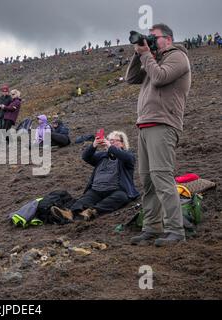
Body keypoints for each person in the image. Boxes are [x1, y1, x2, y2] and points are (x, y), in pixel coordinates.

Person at [126, 23, 191, 246]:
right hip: (144, 125)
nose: (150, 41)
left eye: (154, 38)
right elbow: (132, 78)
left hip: (163, 124)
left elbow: (160, 78)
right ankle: (151, 228)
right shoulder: (151, 59)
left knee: (162, 177)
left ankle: (175, 230)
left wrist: (147, 56)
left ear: (168, 39)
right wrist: (139, 53)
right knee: (147, 180)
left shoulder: (177, 57)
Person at [51, 131, 139, 222]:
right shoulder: (102, 156)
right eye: (109, 140)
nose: (111, 142)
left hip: (117, 189)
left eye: (114, 141)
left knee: (121, 197)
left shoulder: (128, 157)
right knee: (84, 199)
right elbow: (86, 157)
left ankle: (92, 212)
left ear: (123, 144)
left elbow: (126, 157)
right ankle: (69, 214)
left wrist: (110, 147)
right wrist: (94, 145)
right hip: (96, 190)